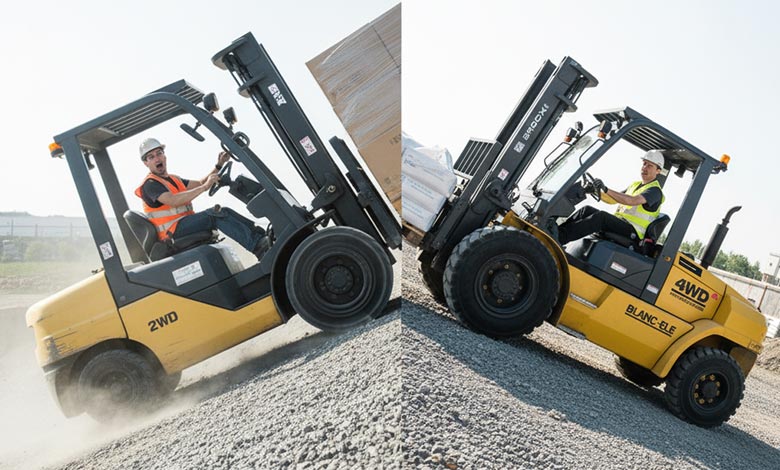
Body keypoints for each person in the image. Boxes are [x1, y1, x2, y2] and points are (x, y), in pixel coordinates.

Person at [135, 137, 270, 259]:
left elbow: (200, 183)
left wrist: (219, 165)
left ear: (164, 156)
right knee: (214, 215)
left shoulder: (173, 179)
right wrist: (205, 187)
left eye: (159, 153)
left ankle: (261, 237)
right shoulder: (150, 184)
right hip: (172, 232)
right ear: (146, 163)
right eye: (151, 157)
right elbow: (173, 200)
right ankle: (258, 247)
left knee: (224, 211)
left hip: (183, 224)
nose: (157, 159)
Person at [557, 149, 666, 246]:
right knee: (587, 210)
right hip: (621, 224)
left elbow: (632, 200)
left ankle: (560, 238)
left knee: (601, 217)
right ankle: (556, 233)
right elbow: (612, 199)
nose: (645, 168)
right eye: (644, 163)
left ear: (658, 171)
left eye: (650, 165)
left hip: (633, 232)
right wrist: (595, 190)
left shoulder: (655, 191)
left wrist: (606, 189)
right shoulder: (635, 185)